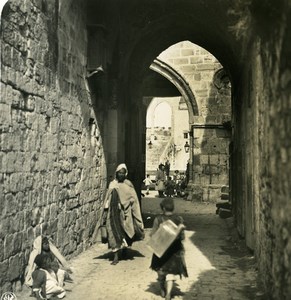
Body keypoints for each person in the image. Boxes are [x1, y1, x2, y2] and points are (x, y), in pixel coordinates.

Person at [100, 163, 144, 265]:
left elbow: (134, 201)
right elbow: (107, 199)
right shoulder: (112, 185)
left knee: (125, 233)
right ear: (116, 173)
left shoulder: (128, 185)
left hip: (125, 215)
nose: (121, 175)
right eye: (119, 173)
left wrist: (137, 216)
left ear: (125, 174)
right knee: (112, 233)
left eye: (123, 173)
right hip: (113, 213)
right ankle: (116, 256)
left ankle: (124, 249)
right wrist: (105, 211)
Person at [150, 198, 188, 300]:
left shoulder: (158, 219)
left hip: (161, 250)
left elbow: (152, 235)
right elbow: (182, 237)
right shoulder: (179, 219)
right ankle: (168, 293)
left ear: (163, 208)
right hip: (174, 251)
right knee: (171, 273)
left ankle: (162, 289)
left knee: (161, 272)